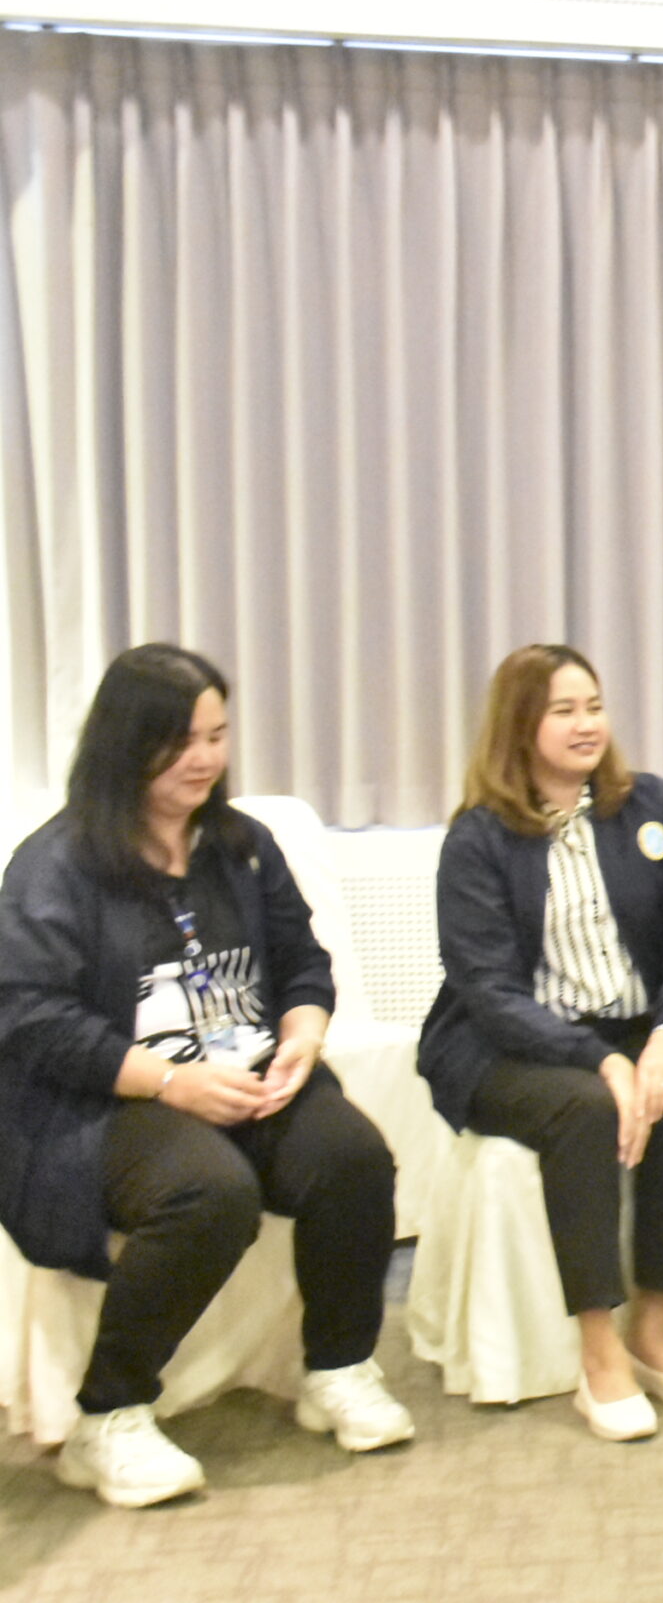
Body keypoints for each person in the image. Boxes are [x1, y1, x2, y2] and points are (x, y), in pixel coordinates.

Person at [0, 645, 409, 1507]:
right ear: (125, 740)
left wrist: (303, 1033)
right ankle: (108, 1414)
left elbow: (302, 961)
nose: (204, 758)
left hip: (249, 1074)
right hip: (111, 1097)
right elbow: (32, 1017)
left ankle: (337, 1366)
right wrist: (168, 1082)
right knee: (209, 1192)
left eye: (217, 736)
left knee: (354, 1158)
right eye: (181, 740)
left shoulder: (241, 846)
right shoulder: (57, 864)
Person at [419, 645, 663, 1441]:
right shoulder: (479, 837)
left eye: (593, 705)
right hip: (509, 1045)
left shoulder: (648, 805)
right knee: (589, 1111)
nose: (586, 723)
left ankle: (652, 1330)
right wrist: (599, 1059)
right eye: (563, 710)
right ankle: (600, 1354)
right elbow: (488, 989)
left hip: (635, 1025)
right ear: (520, 724)